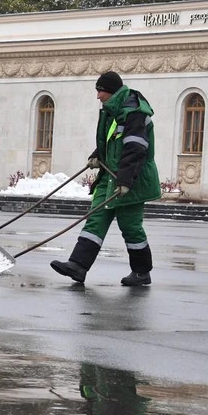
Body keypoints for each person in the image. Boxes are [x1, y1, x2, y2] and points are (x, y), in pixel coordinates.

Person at [50, 71, 160, 286]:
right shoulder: (112, 110)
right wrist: (97, 155)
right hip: (110, 175)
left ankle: (141, 272)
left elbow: (136, 148)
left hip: (132, 178)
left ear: (111, 91)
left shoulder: (134, 111)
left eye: (100, 91)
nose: (98, 96)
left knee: (130, 227)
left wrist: (125, 181)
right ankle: (78, 266)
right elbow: (112, 139)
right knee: (96, 218)